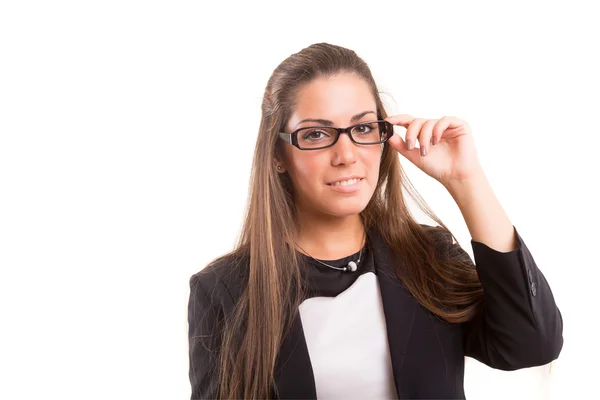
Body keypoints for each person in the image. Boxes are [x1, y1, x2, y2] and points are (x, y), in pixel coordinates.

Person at [187, 43, 563, 399]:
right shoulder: (226, 290)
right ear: (277, 155)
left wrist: (467, 183)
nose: (346, 155)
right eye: (316, 134)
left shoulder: (427, 257)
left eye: (363, 128)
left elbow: (531, 343)